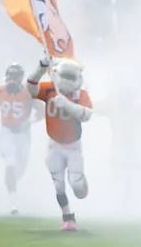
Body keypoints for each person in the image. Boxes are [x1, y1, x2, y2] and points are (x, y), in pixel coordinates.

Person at [28, 57, 93, 231]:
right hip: (54, 144)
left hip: (73, 146)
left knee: (77, 187)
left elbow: (87, 115)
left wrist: (68, 105)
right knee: (58, 184)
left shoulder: (80, 94)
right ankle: (68, 217)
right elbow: (31, 89)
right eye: (65, 76)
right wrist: (40, 68)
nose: (68, 80)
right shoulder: (50, 89)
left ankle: (81, 182)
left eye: (71, 77)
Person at [0, 63, 40, 215]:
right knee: (10, 164)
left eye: (16, 76)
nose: (13, 79)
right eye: (11, 75)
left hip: (23, 134)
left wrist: (30, 122)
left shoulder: (28, 92)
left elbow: (41, 113)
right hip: (7, 132)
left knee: (21, 169)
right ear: (7, 76)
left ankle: (9, 187)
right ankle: (13, 202)